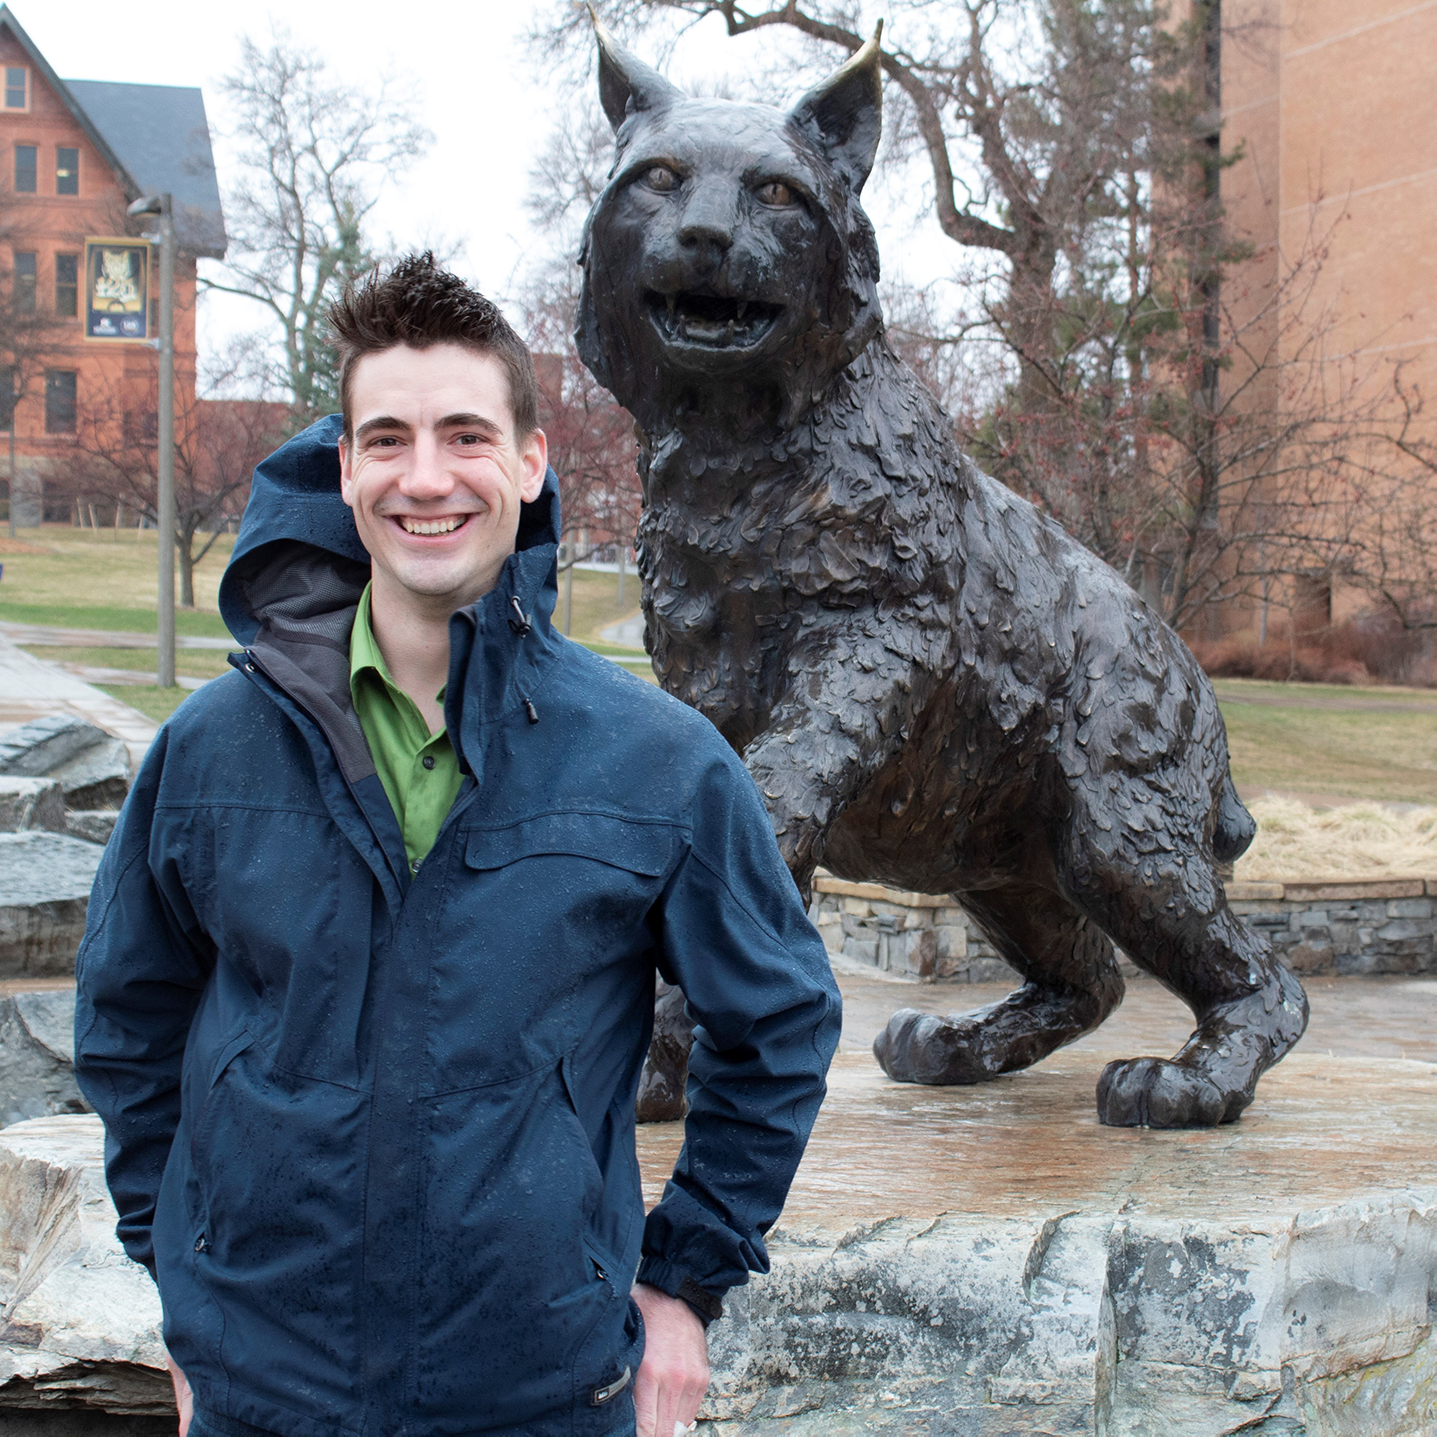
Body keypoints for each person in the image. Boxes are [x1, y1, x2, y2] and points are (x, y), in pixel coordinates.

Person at [74, 254, 841, 1437]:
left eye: (465, 435)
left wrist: (684, 1281)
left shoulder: (658, 763)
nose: (425, 477)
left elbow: (779, 1025)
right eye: (386, 438)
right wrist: (185, 1283)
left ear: (531, 463)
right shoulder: (211, 751)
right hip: (263, 1401)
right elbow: (130, 1027)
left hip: (542, 1396)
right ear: (345, 470)